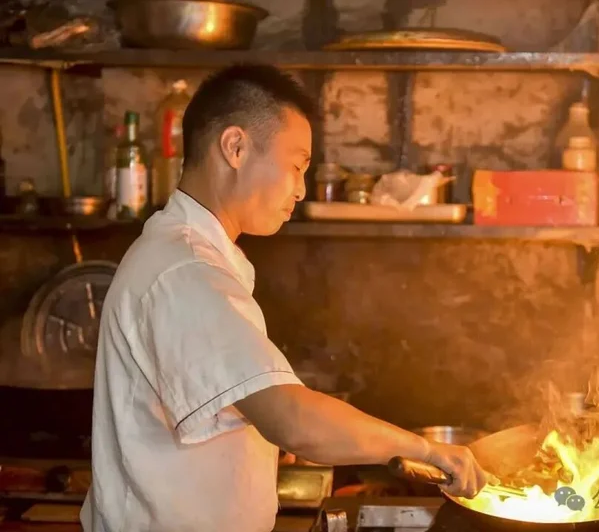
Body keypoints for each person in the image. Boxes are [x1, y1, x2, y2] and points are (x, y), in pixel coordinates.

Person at [80, 65, 488, 532]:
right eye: (297, 166)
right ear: (235, 147)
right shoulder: (185, 270)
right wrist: (427, 450)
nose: (301, 189)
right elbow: (293, 420)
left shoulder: (189, 257)